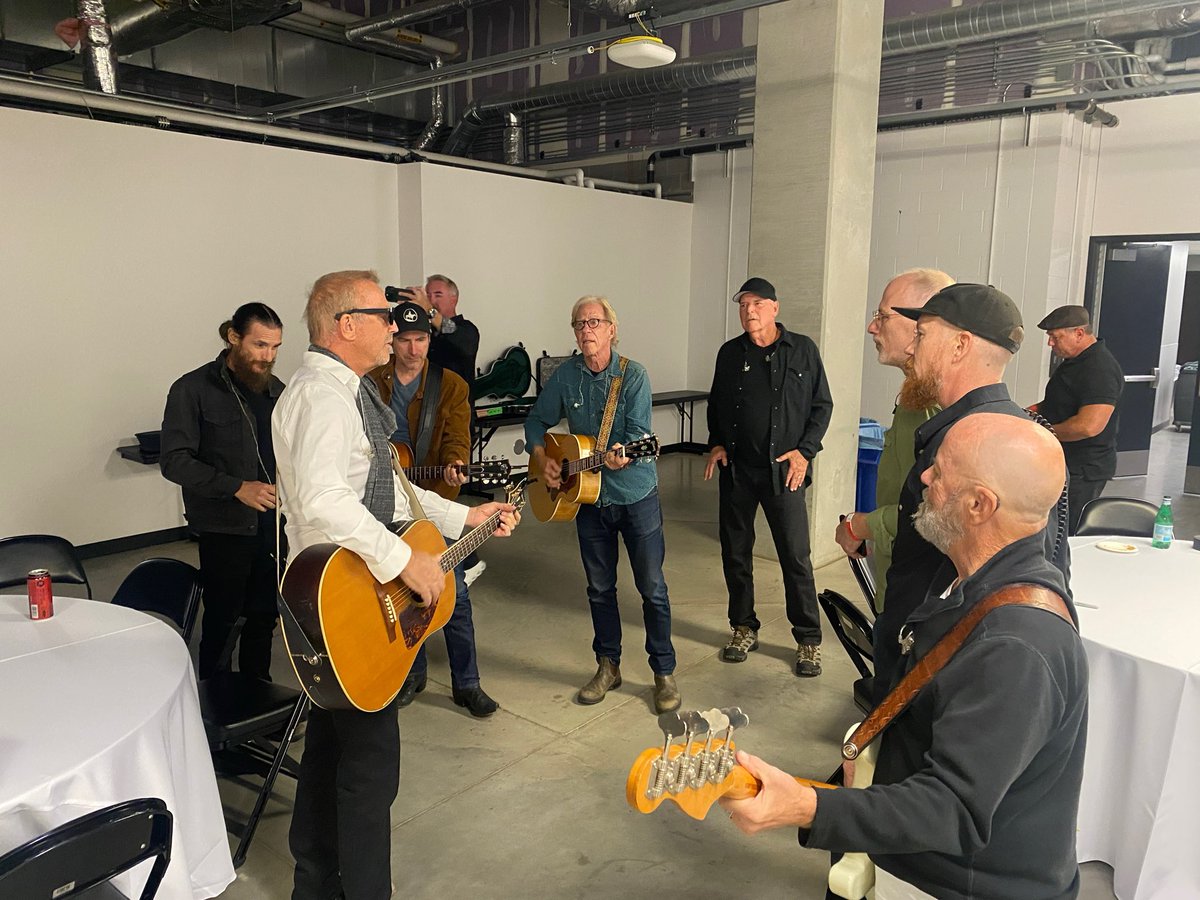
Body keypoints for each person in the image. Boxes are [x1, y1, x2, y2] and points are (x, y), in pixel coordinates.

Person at [721, 413, 1087, 900]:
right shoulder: (975, 579)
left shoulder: (1017, 647)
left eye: (940, 470)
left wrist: (807, 807)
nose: (924, 480)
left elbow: (950, 809)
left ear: (979, 504)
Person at [273, 270, 519, 899]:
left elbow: (392, 495)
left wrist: (468, 516)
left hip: (346, 595)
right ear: (344, 326)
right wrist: (403, 561)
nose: (396, 324)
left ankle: (316, 885)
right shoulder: (324, 398)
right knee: (369, 771)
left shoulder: (350, 393)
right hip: (347, 604)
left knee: (331, 754)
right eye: (384, 314)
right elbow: (327, 502)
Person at [873, 283, 1070, 703]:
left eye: (922, 335)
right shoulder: (990, 429)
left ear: (960, 345)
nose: (911, 349)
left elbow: (1024, 572)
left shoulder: (987, 446)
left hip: (938, 662)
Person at [524, 295, 681, 714]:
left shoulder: (633, 376)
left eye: (594, 322)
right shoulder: (566, 376)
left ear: (612, 328)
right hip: (589, 501)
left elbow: (637, 436)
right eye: (579, 324)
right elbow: (536, 421)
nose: (586, 330)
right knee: (599, 589)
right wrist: (544, 460)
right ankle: (607, 666)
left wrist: (621, 454)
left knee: (652, 588)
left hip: (635, 496)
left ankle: (663, 673)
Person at [367, 300, 498, 717]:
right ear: (391, 340)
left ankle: (468, 683)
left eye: (420, 339)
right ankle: (413, 673)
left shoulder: (453, 386)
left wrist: (458, 463)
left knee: (452, 592)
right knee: (401, 594)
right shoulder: (369, 382)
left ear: (429, 339)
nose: (412, 349)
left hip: (434, 501)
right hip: (384, 506)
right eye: (403, 340)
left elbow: (459, 437)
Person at [704, 277, 834, 676]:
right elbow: (718, 405)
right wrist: (717, 443)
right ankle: (744, 627)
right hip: (738, 471)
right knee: (736, 553)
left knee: (795, 557)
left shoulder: (803, 351)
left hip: (784, 473)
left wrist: (805, 452)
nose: (749, 311)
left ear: (775, 308)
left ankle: (808, 640)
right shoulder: (730, 354)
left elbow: (822, 406)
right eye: (743, 304)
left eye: (758, 303)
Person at [160, 302, 284, 681]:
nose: (268, 357)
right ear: (233, 337)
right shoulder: (192, 389)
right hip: (224, 529)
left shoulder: (277, 391)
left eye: (276, 347)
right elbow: (174, 461)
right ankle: (213, 707)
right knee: (222, 622)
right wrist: (236, 488)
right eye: (260, 345)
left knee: (264, 619)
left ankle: (256, 703)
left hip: (273, 527)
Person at [834, 269, 954, 612]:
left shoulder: (935, 404)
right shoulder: (917, 393)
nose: (873, 327)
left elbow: (933, 510)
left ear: (920, 326)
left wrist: (860, 525)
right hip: (900, 576)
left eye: (882, 316)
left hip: (916, 595)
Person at [1030, 305, 1124, 534]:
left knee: (1066, 534)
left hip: (1083, 469)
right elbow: (1057, 403)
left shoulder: (1099, 368)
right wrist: (1021, 414)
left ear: (1079, 333)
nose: (1050, 344)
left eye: (1055, 337)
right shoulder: (1075, 362)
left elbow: (1089, 426)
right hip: (1064, 462)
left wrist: (1042, 430)